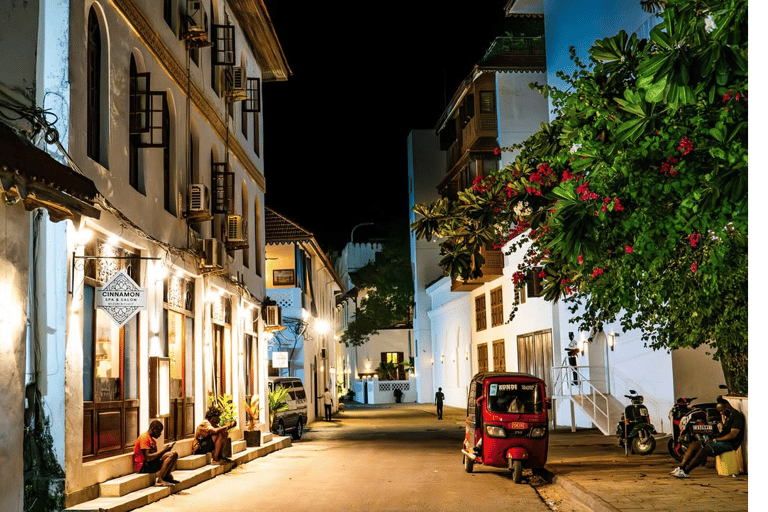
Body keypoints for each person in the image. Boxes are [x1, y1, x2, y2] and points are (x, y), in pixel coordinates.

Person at [671, 396, 745, 478]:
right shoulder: (728, 415)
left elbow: (732, 435)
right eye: (719, 411)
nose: (721, 413)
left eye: (722, 410)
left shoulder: (737, 417)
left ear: (728, 406)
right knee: (694, 445)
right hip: (721, 441)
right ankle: (681, 467)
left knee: (704, 449)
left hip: (730, 444)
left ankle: (686, 471)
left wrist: (715, 440)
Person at [133, 420, 179, 486]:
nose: (160, 434)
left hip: (150, 463)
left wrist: (166, 451)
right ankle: (160, 479)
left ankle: (167, 476)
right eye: (158, 432)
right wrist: (164, 450)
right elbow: (148, 457)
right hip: (143, 466)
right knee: (170, 455)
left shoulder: (152, 440)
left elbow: (155, 456)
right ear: (152, 429)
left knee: (174, 454)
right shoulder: (144, 438)